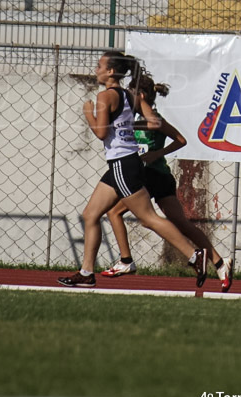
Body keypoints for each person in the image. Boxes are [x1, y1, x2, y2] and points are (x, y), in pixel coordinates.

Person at [58, 51, 207, 288]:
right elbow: (155, 122)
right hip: (124, 163)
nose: (95, 70)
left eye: (99, 66)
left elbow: (100, 132)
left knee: (148, 217)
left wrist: (89, 113)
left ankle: (193, 255)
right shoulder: (130, 95)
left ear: (110, 72)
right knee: (90, 215)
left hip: (122, 164)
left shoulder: (105, 97)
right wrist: (129, 124)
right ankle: (86, 272)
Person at [99, 74, 233, 293]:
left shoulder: (154, 120)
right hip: (156, 175)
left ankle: (125, 260)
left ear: (140, 96)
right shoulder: (132, 118)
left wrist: (157, 153)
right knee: (181, 223)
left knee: (115, 213)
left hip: (151, 174)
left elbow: (180, 139)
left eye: (130, 95)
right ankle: (220, 263)